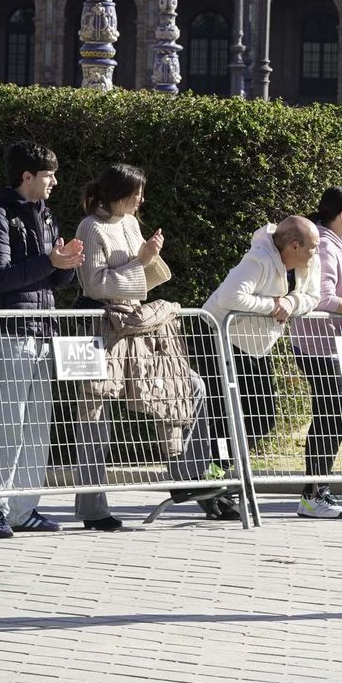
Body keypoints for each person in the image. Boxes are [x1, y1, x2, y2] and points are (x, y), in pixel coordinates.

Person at [75, 163, 226, 528]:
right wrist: (140, 261)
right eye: (135, 193)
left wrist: (150, 258)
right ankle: (93, 510)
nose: (141, 199)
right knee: (92, 413)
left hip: (134, 323)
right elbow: (95, 285)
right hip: (94, 325)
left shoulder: (129, 222)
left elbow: (143, 282)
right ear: (117, 193)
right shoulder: (90, 227)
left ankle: (190, 477)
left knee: (191, 385)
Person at [0, 141, 84, 538]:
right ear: (27, 177)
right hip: (8, 331)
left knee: (37, 423)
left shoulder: (47, 215)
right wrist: (49, 262)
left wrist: (66, 265)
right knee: (4, 422)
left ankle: (24, 508)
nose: (55, 181)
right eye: (48, 175)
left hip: (42, 329)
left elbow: (52, 280)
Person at [204, 216, 321, 482]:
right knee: (225, 417)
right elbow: (230, 296)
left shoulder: (309, 261)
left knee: (263, 416)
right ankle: (210, 477)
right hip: (221, 338)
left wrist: (290, 303)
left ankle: (214, 474)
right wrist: (273, 306)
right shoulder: (258, 259)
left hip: (255, 345)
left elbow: (313, 297)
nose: (317, 252)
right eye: (312, 246)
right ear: (294, 246)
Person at [288, 188, 342, 520]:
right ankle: (313, 493)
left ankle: (316, 490)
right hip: (319, 344)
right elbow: (323, 298)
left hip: (330, 344)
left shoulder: (332, 241)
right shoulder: (324, 244)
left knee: (332, 415)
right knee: (336, 414)